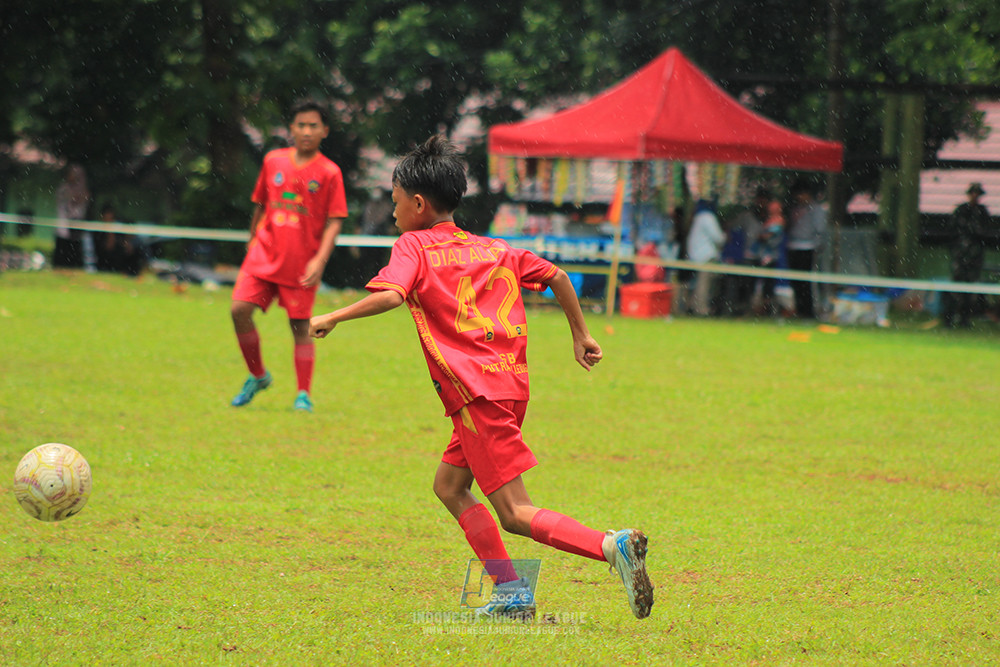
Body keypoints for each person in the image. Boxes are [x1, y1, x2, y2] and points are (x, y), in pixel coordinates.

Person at [309, 136, 653, 620]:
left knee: (514, 512)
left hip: (476, 394)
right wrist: (581, 334)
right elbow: (557, 276)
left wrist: (334, 316)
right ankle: (512, 594)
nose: (393, 212)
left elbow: (391, 295)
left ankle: (610, 546)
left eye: (395, 201)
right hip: (508, 387)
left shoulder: (413, 244)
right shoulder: (494, 247)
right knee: (449, 486)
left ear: (419, 204)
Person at [229, 100, 348, 412]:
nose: (306, 131)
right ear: (291, 128)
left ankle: (303, 395)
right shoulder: (273, 161)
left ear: (324, 131)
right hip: (263, 254)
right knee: (239, 309)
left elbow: (336, 220)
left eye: (313, 126)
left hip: (301, 263)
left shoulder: (330, 172)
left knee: (301, 328)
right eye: (301, 125)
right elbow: (261, 204)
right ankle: (258, 376)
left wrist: (319, 260)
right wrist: (252, 238)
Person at [942, 183, 992, 328]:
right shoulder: (961, 211)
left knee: (970, 290)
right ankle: (949, 318)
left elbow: (985, 233)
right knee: (955, 288)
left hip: (974, 257)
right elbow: (952, 231)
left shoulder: (982, 212)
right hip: (960, 256)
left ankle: (964, 319)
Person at [785, 180, 828, 319]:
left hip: (807, 248)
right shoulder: (795, 208)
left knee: (805, 282)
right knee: (795, 281)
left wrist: (817, 246)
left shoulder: (816, 209)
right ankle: (799, 309)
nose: (798, 198)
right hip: (793, 246)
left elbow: (820, 229)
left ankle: (808, 311)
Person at [685, 198, 726, 316]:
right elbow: (718, 238)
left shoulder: (698, 217)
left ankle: (691, 306)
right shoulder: (708, 217)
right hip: (705, 256)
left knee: (696, 283)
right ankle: (701, 309)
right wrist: (725, 237)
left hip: (695, 255)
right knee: (704, 284)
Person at [751, 199, 786, 316]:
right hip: (761, 255)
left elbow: (768, 237)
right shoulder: (768, 220)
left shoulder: (779, 221)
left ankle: (767, 308)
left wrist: (763, 236)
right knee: (760, 283)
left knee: (768, 285)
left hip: (770, 257)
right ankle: (761, 307)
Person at [53, 164, 91, 269]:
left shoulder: (83, 190)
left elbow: (83, 201)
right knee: (61, 258)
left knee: (74, 257)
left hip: (76, 228)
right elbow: (69, 200)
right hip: (63, 228)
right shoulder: (63, 188)